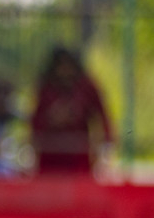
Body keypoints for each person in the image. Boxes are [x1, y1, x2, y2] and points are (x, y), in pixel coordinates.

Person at [30, 47, 112, 176]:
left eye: (68, 65)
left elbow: (102, 115)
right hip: (50, 154)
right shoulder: (46, 87)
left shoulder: (86, 87)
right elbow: (35, 120)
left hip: (79, 154)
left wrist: (105, 146)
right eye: (61, 66)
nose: (65, 70)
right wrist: (52, 118)